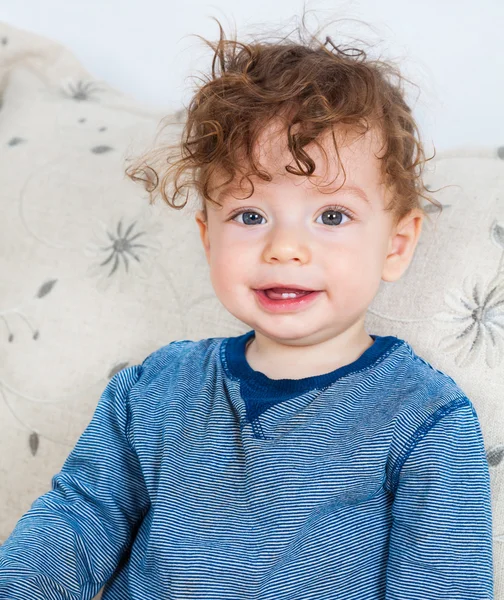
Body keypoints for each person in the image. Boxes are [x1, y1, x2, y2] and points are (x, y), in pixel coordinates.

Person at [0, 13, 494, 600]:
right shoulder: (154, 390)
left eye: (332, 216)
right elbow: (73, 527)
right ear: (208, 238)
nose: (284, 247)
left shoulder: (426, 420)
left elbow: (443, 585)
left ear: (396, 244)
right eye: (250, 216)